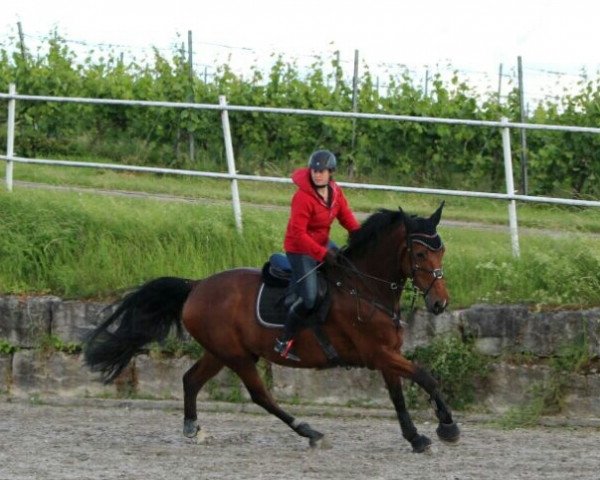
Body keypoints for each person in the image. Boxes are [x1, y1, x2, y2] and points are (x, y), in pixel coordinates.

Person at [274, 149, 360, 361]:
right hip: (299, 248)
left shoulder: (335, 192)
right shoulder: (303, 198)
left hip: (321, 242)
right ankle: (284, 341)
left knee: (346, 269)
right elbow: (298, 234)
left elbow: (346, 217)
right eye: (314, 170)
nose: (317, 174)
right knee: (310, 298)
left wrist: (361, 237)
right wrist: (322, 254)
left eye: (322, 171)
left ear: (331, 172)